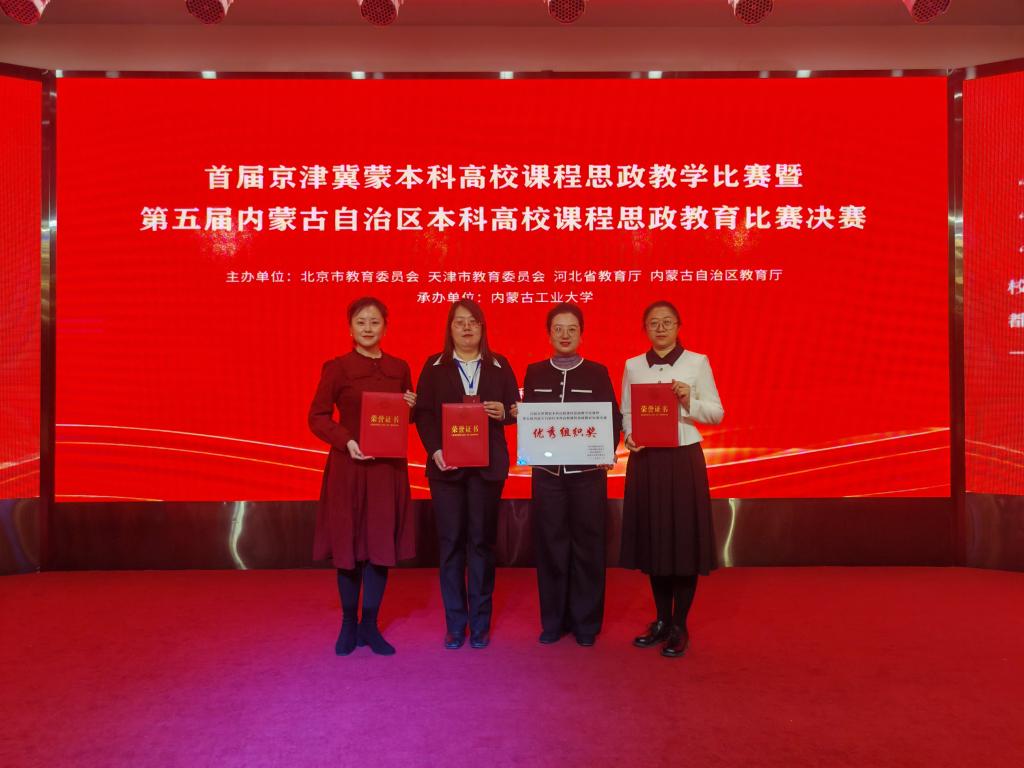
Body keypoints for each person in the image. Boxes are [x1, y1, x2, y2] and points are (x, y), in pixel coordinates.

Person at [308, 296, 417, 657]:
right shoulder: (337, 368)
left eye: (374, 322)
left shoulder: (400, 367)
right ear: (350, 328)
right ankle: (348, 624)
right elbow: (317, 416)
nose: (368, 328)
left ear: (385, 327)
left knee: (380, 546)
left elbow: (403, 419)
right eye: (361, 322)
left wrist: (412, 409)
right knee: (349, 547)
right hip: (349, 468)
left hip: (387, 470)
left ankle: (370, 624)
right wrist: (347, 441)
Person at [620, 300, 724, 658]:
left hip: (683, 461)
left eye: (667, 322)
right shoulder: (633, 365)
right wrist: (629, 435)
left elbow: (716, 413)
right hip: (648, 461)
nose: (661, 328)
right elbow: (627, 412)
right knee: (656, 543)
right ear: (645, 329)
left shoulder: (697, 362)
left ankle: (680, 624)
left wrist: (689, 399)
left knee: (683, 543)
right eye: (653, 323)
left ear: (679, 326)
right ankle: (662, 619)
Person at [515, 303, 622, 647]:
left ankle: (586, 623)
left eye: (571, 329)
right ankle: (553, 621)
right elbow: (531, 418)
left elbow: (613, 418)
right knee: (550, 546)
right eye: (558, 329)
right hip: (547, 475)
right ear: (549, 334)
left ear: (581, 334)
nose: (565, 335)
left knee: (588, 547)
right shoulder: (534, 372)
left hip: (588, 475)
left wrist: (607, 449)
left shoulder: (597, 372)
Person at [414, 299, 519, 650]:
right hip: (447, 468)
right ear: (450, 328)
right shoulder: (434, 366)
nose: (467, 328)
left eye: (473, 321)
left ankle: (481, 623)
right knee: (451, 544)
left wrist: (505, 412)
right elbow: (424, 414)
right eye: (460, 322)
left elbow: (516, 410)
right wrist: (435, 450)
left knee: (482, 543)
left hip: (488, 468)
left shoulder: (499, 365)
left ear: (483, 327)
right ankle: (456, 624)